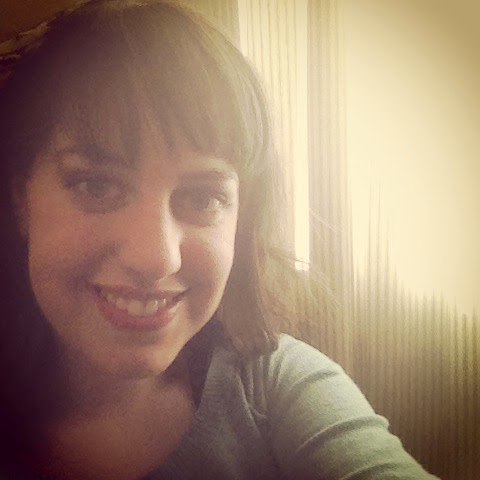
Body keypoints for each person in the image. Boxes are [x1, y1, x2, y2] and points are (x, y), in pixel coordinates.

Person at [0, 1, 439, 479]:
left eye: (201, 197)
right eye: (96, 186)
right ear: (22, 201)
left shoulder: (276, 386)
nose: (156, 258)